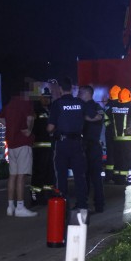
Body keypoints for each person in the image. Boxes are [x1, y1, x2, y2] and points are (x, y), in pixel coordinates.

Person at [47, 77, 88, 210]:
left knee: (62, 175)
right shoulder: (80, 103)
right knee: (79, 176)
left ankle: (62, 206)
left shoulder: (57, 104)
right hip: (77, 143)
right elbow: (90, 118)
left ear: (60, 89)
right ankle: (82, 205)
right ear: (71, 88)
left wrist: (48, 131)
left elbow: (51, 127)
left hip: (63, 144)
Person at [0, 85, 37, 217]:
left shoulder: (9, 104)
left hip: (11, 143)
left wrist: (9, 127)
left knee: (12, 176)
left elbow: (0, 117)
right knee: (22, 176)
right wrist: (29, 130)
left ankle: (10, 207)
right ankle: (20, 207)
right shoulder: (26, 103)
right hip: (23, 143)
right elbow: (30, 119)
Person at [78, 85, 105, 213]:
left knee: (86, 177)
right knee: (95, 177)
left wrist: (85, 118)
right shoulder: (97, 107)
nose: (78, 95)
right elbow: (99, 117)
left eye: (80, 93)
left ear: (87, 93)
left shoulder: (85, 107)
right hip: (93, 146)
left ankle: (83, 204)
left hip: (87, 146)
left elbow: (99, 117)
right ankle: (99, 205)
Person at [29, 87, 55, 206]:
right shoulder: (36, 110)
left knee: (49, 172)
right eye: (45, 97)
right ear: (40, 98)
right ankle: (35, 196)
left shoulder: (51, 110)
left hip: (50, 146)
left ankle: (48, 194)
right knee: (38, 172)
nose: (47, 99)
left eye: (49, 97)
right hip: (39, 146)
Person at [111, 87, 131, 185]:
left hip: (115, 139)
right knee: (126, 159)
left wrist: (110, 128)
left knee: (117, 158)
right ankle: (123, 178)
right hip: (127, 139)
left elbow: (105, 117)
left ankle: (116, 177)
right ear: (129, 97)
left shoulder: (113, 108)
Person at [103, 85, 121, 182]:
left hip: (109, 133)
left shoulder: (107, 105)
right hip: (116, 134)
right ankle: (116, 176)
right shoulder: (117, 105)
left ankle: (109, 176)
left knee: (110, 155)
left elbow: (106, 121)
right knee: (118, 154)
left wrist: (110, 127)